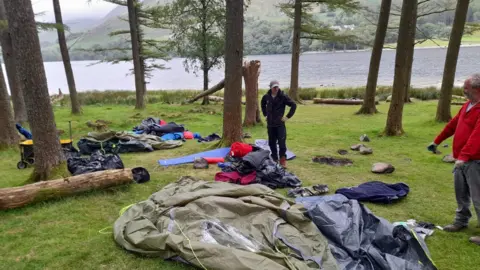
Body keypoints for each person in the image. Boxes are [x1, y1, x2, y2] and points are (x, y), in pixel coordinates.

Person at [428, 73, 480, 245]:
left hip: (475, 161)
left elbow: (476, 136)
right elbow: (452, 125)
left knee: (478, 196)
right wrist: (437, 141)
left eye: (466, 88)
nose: (464, 90)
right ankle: (461, 221)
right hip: (461, 160)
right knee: (461, 193)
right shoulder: (467, 106)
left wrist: (464, 157)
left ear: (477, 89)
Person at [261, 80, 297, 168]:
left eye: (277, 87)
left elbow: (293, 105)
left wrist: (287, 117)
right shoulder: (266, 96)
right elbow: (262, 104)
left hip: (280, 124)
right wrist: (265, 114)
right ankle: (274, 158)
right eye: (274, 87)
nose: (276, 89)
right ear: (271, 87)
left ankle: (282, 160)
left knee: (281, 143)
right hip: (270, 124)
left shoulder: (283, 96)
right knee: (271, 142)